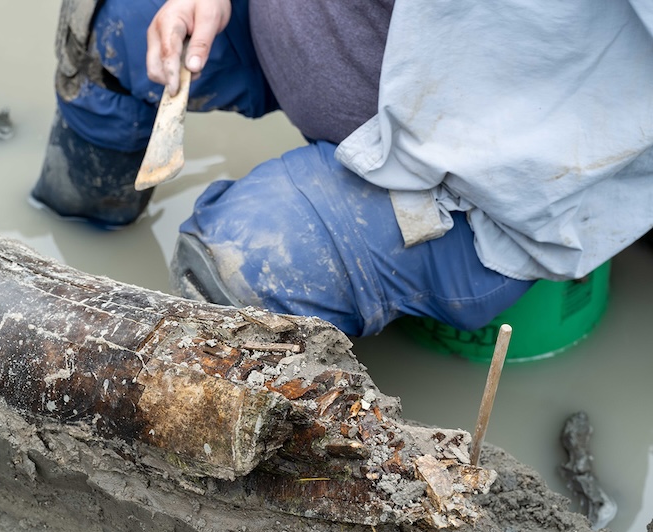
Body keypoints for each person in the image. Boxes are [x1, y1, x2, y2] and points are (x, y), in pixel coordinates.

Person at [32, 0, 653, 337]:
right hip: (314, 38)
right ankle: (72, 243)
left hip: (471, 187)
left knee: (241, 271)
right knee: (112, 26)